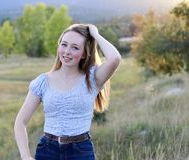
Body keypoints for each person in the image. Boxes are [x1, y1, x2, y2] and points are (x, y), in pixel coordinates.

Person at [14, 23, 121, 160]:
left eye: (75, 47)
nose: (67, 52)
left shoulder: (93, 78)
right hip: (47, 150)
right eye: (64, 44)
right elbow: (20, 122)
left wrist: (95, 34)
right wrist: (25, 156)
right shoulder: (42, 82)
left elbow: (115, 58)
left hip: (80, 151)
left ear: (84, 54)